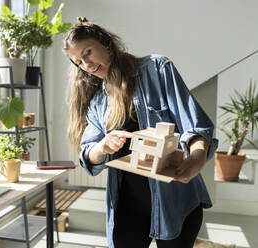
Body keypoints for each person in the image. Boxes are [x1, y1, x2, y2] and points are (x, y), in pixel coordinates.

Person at [63, 17, 218, 248]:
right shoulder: (97, 104)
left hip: (176, 206)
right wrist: (102, 147)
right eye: (78, 61)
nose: (86, 64)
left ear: (105, 43)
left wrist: (196, 157)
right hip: (127, 210)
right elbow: (88, 157)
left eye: (87, 52)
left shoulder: (157, 69)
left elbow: (195, 123)